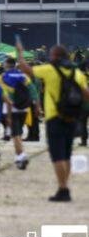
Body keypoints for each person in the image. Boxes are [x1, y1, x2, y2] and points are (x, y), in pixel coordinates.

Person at [16, 42, 89, 202]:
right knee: (67, 155)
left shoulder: (50, 70)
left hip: (55, 118)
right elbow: (86, 94)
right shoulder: (77, 73)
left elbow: (26, 69)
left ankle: (63, 189)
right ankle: (64, 185)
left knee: (57, 156)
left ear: (55, 56)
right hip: (71, 118)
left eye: (51, 55)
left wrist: (20, 52)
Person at [0, 57, 40, 169]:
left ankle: (21, 156)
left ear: (6, 65)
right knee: (18, 132)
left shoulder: (2, 77)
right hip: (24, 108)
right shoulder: (23, 76)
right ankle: (19, 156)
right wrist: (37, 106)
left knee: (16, 134)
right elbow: (33, 91)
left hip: (10, 109)